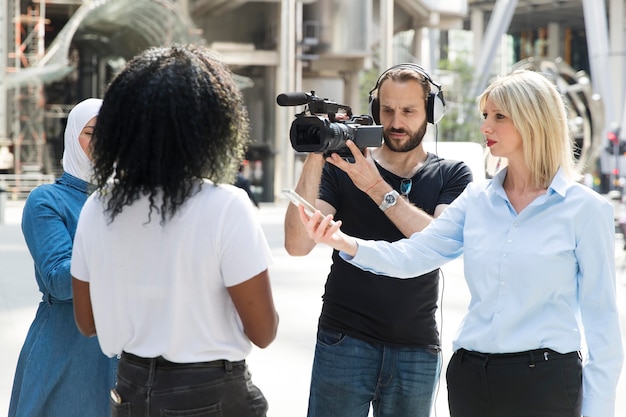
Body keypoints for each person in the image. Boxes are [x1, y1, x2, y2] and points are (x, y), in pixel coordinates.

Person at [299, 69, 625, 417]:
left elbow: (603, 326)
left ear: (535, 121)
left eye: (500, 116)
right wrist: (343, 242)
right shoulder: (476, 199)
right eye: (486, 115)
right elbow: (414, 255)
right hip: (471, 379)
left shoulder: (586, 211)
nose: (486, 127)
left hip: (544, 383)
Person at [71, 44, 279, 417]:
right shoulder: (225, 205)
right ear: (211, 128)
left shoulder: (97, 207)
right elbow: (264, 332)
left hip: (131, 390)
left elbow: (86, 324)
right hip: (211, 393)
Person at [284, 63, 473, 417]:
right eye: (386, 110)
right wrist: (316, 151)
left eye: (408, 111)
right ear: (374, 110)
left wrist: (375, 186)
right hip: (344, 340)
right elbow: (297, 245)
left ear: (431, 111)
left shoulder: (452, 174)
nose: (396, 122)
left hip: (416, 347)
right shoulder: (342, 168)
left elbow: (436, 242)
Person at [8, 98, 117, 417]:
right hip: (68, 349)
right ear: (72, 137)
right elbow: (60, 279)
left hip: (126, 350)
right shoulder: (48, 200)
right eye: (91, 132)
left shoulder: (131, 201)